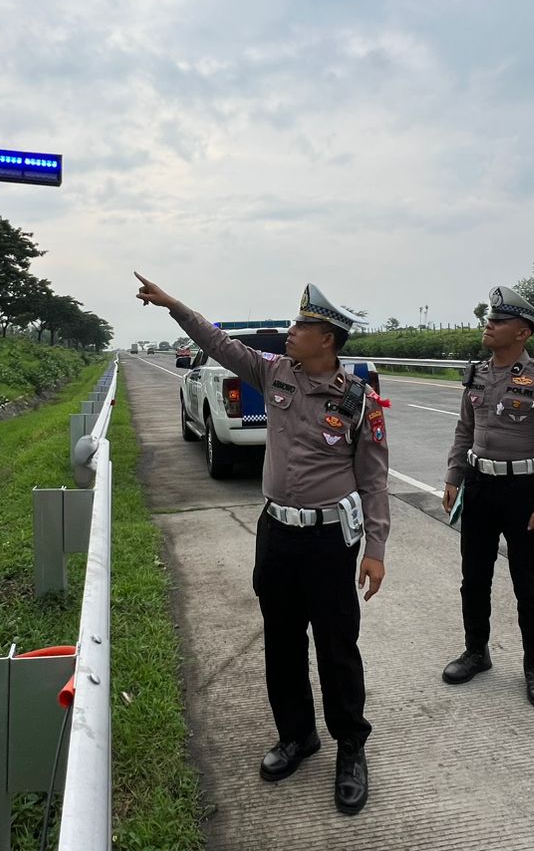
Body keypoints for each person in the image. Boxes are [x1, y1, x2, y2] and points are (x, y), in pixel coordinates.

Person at [135, 272, 389, 815]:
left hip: (329, 541)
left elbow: (373, 480)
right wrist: (175, 305)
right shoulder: (273, 372)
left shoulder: (358, 402)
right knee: (281, 638)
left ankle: (350, 748)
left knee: (337, 645)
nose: (290, 331)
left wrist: (376, 548)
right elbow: (218, 344)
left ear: (328, 339)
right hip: (276, 534)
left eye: (301, 325)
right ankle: (297, 736)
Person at [440, 284, 534, 708]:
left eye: (499, 321)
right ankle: (476, 652)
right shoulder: (477, 374)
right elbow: (464, 428)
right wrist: (453, 476)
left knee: (528, 582)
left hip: (522, 490)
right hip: (479, 486)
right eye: (490, 319)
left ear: (523, 333)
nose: (490, 325)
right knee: (474, 577)